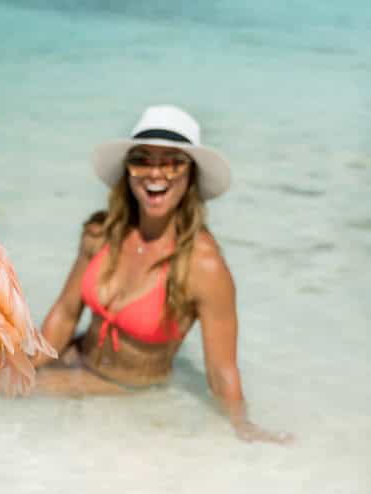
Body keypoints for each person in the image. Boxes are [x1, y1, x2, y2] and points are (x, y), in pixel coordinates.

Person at [35, 105, 289, 444]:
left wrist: (242, 425)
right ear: (128, 171)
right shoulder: (101, 233)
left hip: (126, 386)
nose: (156, 174)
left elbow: (221, 369)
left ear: (191, 176)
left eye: (172, 162)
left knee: (7, 392)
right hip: (77, 355)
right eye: (142, 160)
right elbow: (65, 315)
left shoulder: (203, 266)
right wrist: (25, 364)